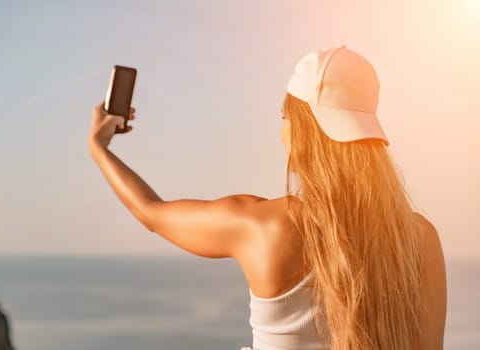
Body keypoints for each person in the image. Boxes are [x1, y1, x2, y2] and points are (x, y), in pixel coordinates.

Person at [88, 44, 447, 350]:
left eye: (285, 117)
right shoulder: (421, 239)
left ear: (305, 133)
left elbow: (151, 212)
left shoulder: (265, 226)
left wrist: (99, 148)